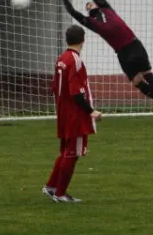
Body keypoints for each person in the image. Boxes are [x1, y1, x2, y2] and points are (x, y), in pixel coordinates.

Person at [53, 0, 153, 125]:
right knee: (139, 79)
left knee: (145, 75)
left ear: (96, 5)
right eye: (87, 6)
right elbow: (75, 10)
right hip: (127, 50)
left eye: (90, 3)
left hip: (130, 48)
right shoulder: (96, 19)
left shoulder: (102, 12)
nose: (89, 4)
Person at [42, 25, 102, 203]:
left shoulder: (61, 58)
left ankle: (51, 186)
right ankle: (60, 194)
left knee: (66, 151)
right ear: (83, 39)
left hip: (62, 112)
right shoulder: (74, 60)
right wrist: (91, 111)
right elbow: (77, 92)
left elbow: (55, 87)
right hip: (74, 115)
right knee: (72, 153)